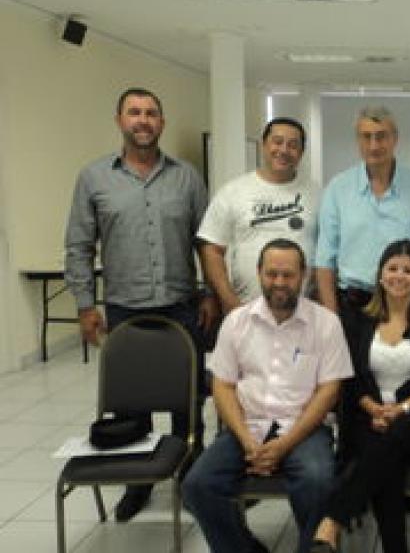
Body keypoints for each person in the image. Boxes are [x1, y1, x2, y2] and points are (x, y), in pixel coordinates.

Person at [64, 87, 218, 522]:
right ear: (120, 120)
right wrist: (85, 305)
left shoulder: (187, 178)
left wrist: (209, 291)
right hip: (125, 309)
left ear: (161, 123)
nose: (143, 120)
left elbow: (207, 242)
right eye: (134, 112)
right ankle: (139, 483)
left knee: (188, 401)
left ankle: (190, 478)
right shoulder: (93, 178)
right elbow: (78, 246)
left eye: (151, 113)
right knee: (132, 402)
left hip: (182, 306)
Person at [182, 239, 353, 553]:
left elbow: (329, 391)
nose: (279, 282)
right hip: (246, 426)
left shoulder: (326, 324)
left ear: (303, 276)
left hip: (304, 429)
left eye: (288, 275)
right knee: (197, 486)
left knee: (318, 481)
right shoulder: (236, 322)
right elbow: (223, 386)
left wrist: (284, 444)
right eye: (272, 273)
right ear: (259, 273)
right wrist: (248, 441)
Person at [310, 239, 410, 553]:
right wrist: (373, 408)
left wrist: (400, 410)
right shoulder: (359, 321)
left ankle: (332, 521)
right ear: (380, 275)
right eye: (392, 268)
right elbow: (351, 380)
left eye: (408, 270)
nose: (399, 276)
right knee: (387, 460)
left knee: (385, 445)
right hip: (368, 416)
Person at [314, 106, 410, 326]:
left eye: (381, 136)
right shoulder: (338, 188)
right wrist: (331, 318)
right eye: (366, 137)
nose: (374, 145)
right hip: (353, 306)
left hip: (405, 304)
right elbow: (325, 260)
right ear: (357, 141)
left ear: (395, 138)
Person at [198, 117, 320, 311]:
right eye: (277, 142)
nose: (284, 150)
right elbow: (212, 248)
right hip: (245, 309)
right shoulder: (233, 191)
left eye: (293, 145)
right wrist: (228, 300)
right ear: (264, 145)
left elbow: (328, 255)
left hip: (303, 312)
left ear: (301, 152)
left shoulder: (318, 195)